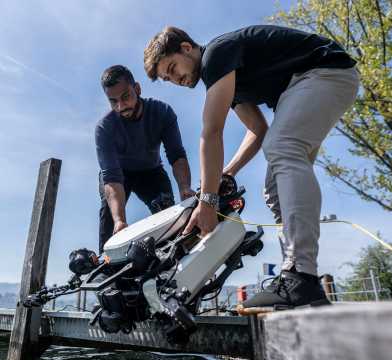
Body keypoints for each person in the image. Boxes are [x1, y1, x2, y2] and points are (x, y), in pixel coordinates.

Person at [143, 25, 359, 308]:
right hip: (305, 86)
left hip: (324, 72)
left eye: (172, 68)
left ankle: (300, 276)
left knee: (282, 148)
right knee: (274, 188)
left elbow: (211, 132)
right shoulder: (229, 76)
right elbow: (257, 130)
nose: (176, 80)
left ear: (186, 48)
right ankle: (298, 278)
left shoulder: (216, 55)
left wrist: (207, 202)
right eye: (167, 79)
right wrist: (227, 173)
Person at [96, 65, 194, 254]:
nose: (121, 106)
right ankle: (105, 264)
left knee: (166, 209)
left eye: (125, 97)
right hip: (118, 175)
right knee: (110, 214)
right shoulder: (104, 128)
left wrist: (184, 188)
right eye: (113, 101)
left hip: (151, 171)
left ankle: (171, 256)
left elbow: (176, 155)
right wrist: (119, 221)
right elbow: (111, 177)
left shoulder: (162, 112)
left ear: (138, 89)